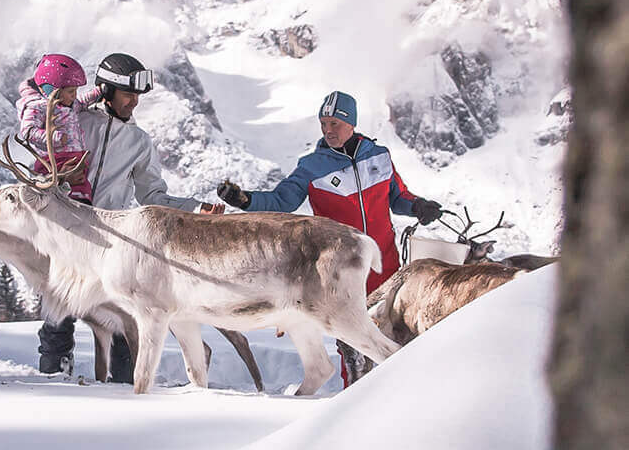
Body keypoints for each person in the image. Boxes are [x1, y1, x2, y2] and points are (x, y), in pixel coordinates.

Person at [216, 90, 442, 384]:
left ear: (351, 124)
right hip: (341, 270)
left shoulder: (379, 156)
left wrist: (417, 206)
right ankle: (354, 396)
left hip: (385, 264)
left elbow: (397, 197)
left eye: (334, 123)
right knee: (350, 337)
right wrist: (245, 200)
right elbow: (282, 201)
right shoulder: (311, 166)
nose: (327, 130)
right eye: (324, 123)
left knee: (395, 331)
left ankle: (400, 391)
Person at [35, 52, 224, 380]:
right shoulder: (76, 123)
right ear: (106, 92)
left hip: (111, 247)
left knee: (123, 327)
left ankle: (121, 394)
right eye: (128, 94)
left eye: (137, 96)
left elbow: (153, 196)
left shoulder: (139, 142)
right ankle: (52, 386)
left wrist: (195, 208)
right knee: (57, 325)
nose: (134, 102)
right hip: (69, 238)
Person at [15, 54, 102, 202]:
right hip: (53, 161)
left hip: (76, 158)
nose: (74, 96)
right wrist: (54, 137)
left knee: (82, 193)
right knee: (61, 197)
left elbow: (81, 102)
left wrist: (97, 93)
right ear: (51, 90)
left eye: (75, 91)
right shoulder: (37, 106)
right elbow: (28, 131)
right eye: (70, 91)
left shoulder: (69, 104)